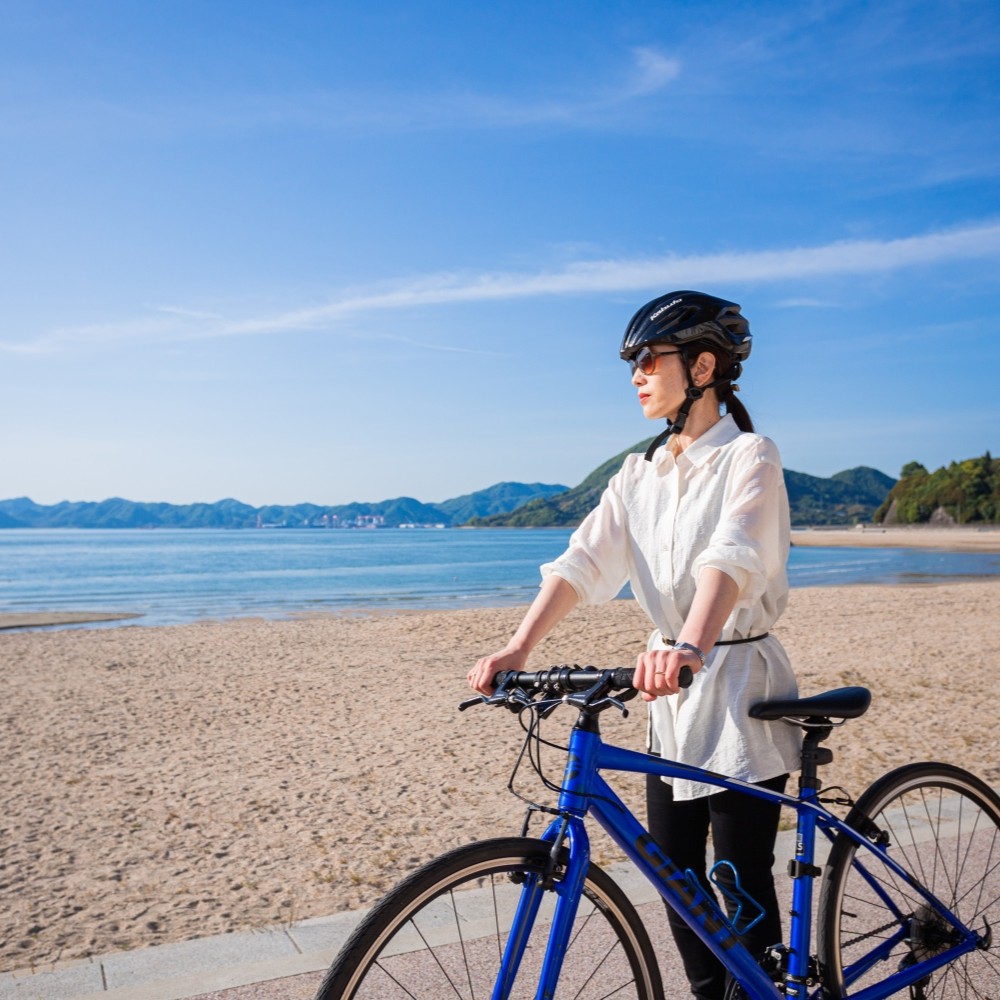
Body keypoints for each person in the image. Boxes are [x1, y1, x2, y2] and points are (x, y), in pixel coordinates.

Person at [468, 290, 801, 1000]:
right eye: (634, 364)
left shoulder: (750, 455)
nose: (637, 375)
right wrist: (518, 648)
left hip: (737, 687)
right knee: (675, 877)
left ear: (703, 366)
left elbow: (731, 558)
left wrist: (687, 644)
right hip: (670, 696)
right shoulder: (637, 475)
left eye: (650, 359)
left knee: (737, 880)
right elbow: (582, 564)